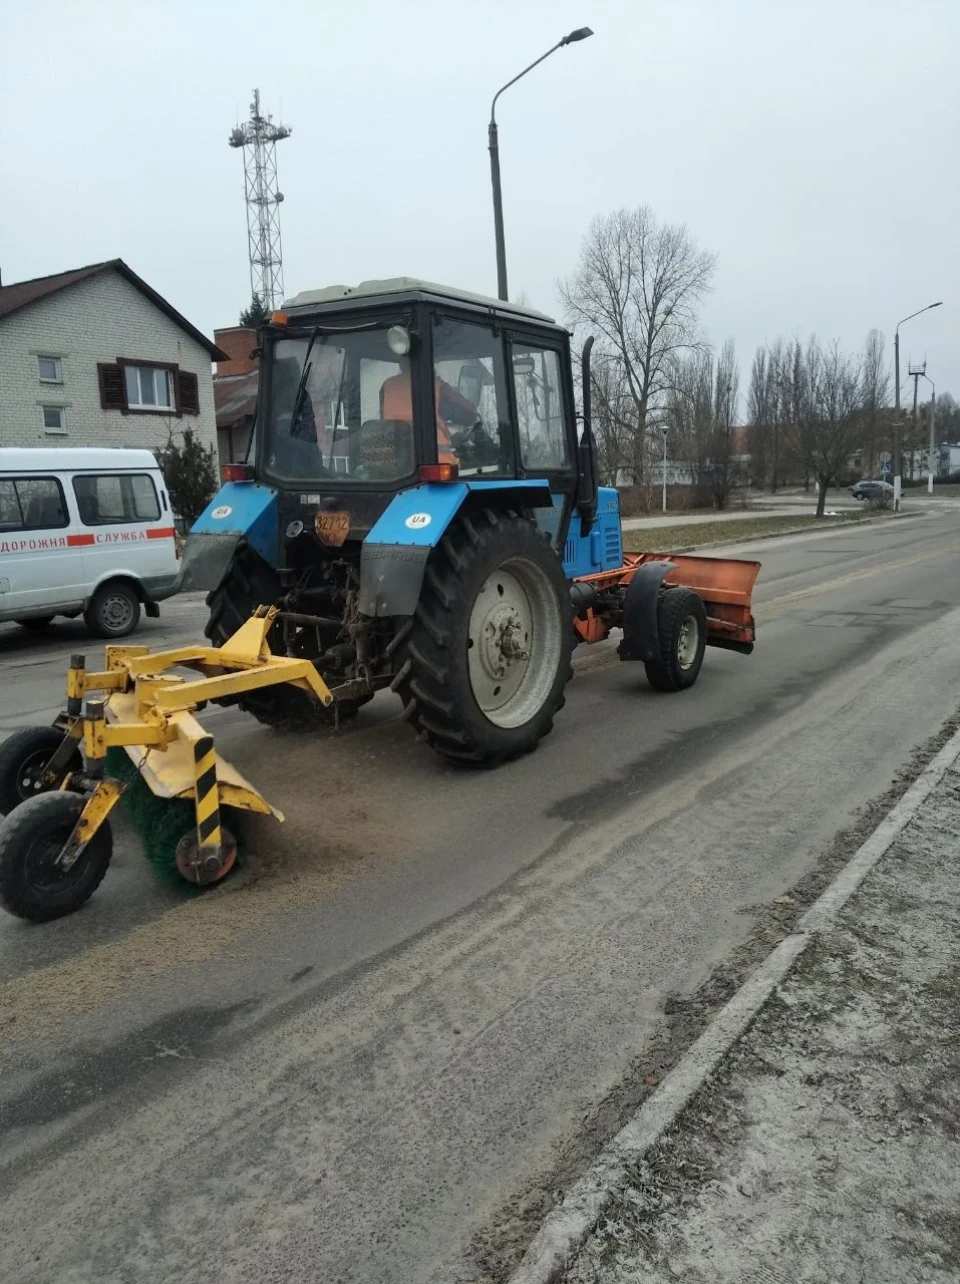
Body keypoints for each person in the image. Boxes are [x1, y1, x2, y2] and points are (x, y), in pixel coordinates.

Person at [380, 357, 479, 464]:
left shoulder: (387, 386)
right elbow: (470, 414)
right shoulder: (437, 386)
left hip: (394, 465)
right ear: (429, 365)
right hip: (437, 464)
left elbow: (385, 418)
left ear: (401, 365)